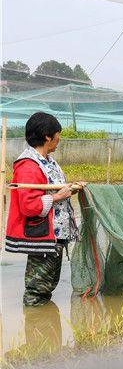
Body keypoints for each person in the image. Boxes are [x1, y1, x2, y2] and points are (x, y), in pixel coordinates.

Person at [5, 112, 79, 306]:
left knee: (48, 285)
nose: (59, 139)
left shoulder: (48, 162)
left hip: (55, 234)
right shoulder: (28, 165)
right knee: (37, 290)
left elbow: (53, 190)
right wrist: (58, 196)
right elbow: (29, 206)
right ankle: (35, 326)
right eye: (58, 134)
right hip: (43, 235)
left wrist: (69, 189)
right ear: (47, 136)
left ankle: (47, 331)